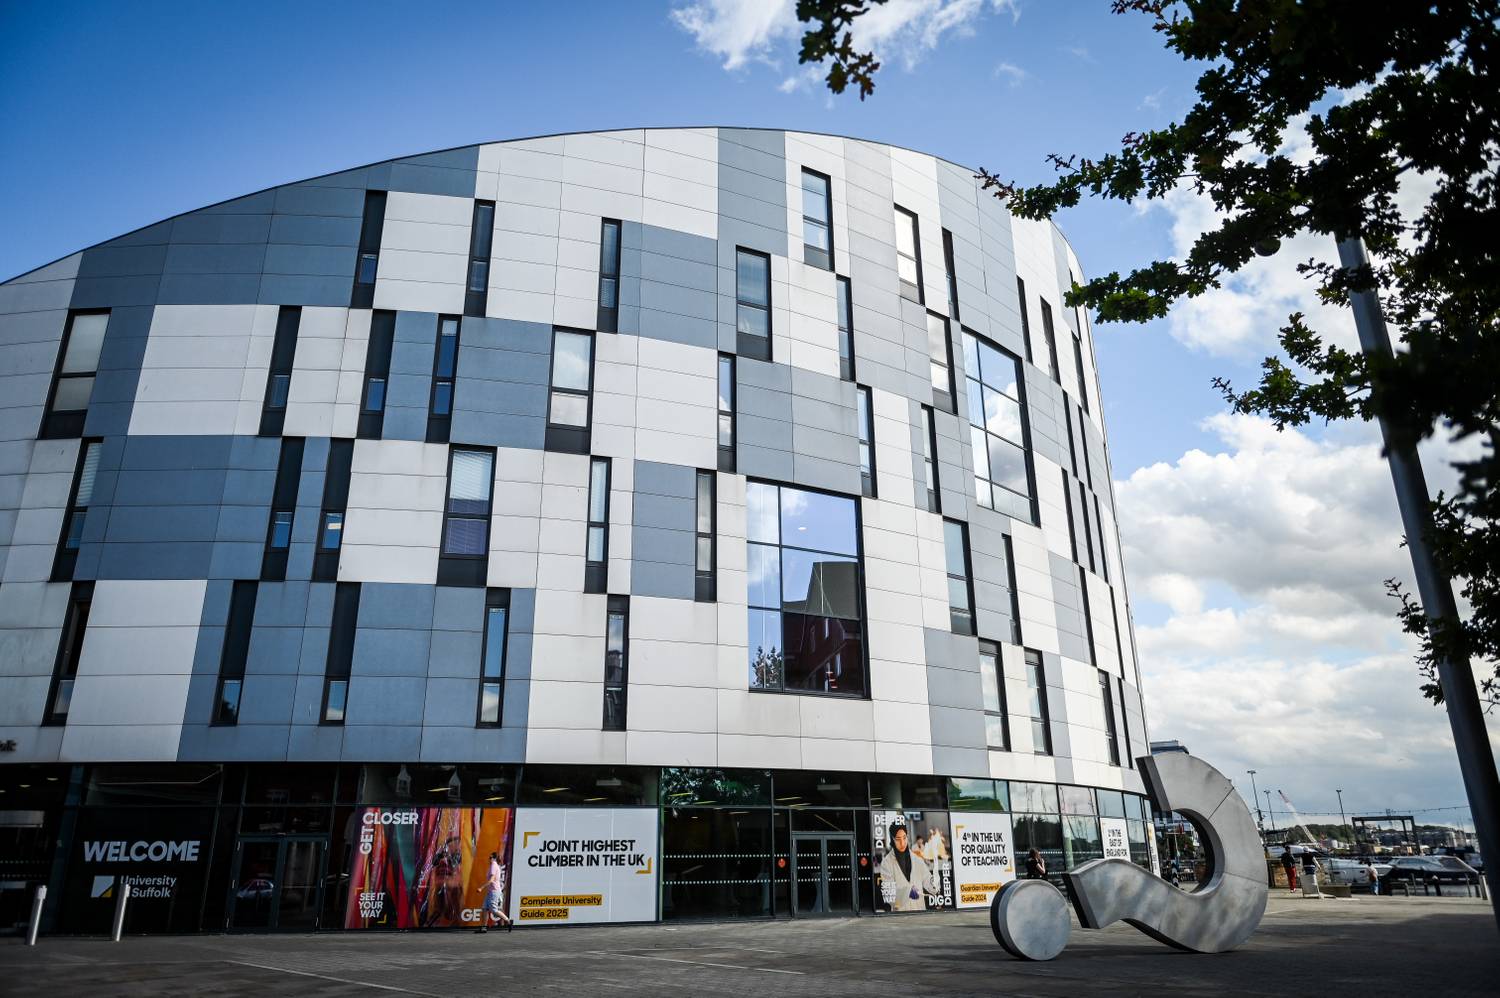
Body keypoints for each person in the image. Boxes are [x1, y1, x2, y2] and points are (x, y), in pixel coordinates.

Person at [878, 823, 934, 912]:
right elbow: (889, 896)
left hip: (920, 912)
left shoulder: (917, 859)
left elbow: (928, 880)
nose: (902, 843)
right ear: (892, 840)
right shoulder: (886, 863)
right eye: (898, 839)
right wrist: (907, 892)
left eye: (904, 838)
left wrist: (934, 884)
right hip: (901, 915)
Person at [474, 851, 512, 933]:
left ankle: (508, 921)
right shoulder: (494, 865)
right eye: (489, 857)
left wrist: (481, 888)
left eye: (490, 857)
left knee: (494, 910)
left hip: (494, 891)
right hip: (491, 891)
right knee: (485, 909)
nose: (489, 859)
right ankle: (484, 928)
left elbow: (491, 880)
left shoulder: (494, 865)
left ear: (494, 858)